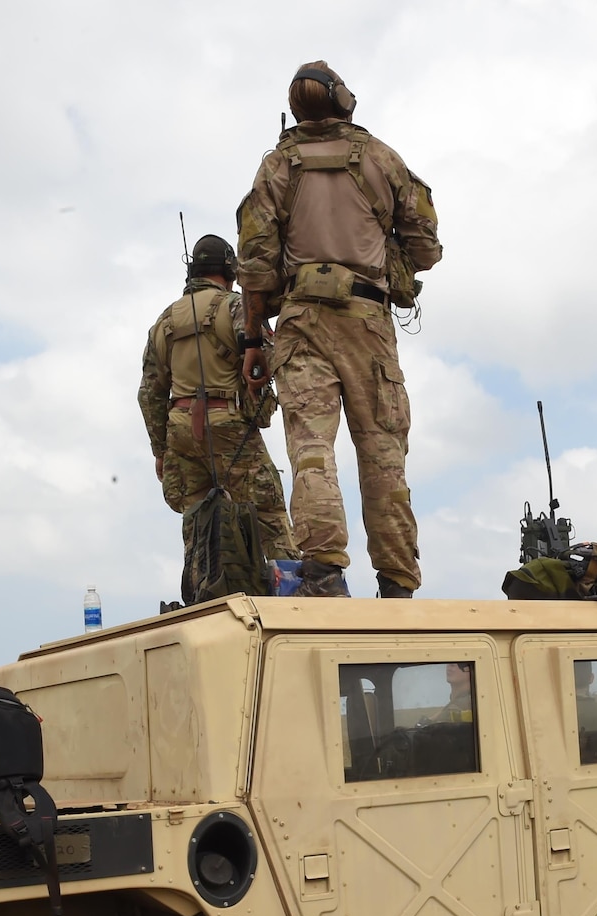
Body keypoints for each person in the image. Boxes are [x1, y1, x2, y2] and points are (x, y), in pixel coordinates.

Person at [235, 60, 442, 598]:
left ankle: (324, 572)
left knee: (311, 448)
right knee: (381, 452)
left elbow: (256, 267)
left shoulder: (276, 168)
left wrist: (254, 340)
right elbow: (427, 246)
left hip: (301, 322)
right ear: (344, 101)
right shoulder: (381, 159)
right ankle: (396, 580)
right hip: (367, 321)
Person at [138, 234, 297, 566]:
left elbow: (150, 393)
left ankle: (207, 598)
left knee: (199, 528)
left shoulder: (163, 322)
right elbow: (263, 361)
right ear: (230, 271)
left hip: (180, 432)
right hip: (229, 424)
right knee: (268, 515)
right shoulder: (236, 307)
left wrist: (160, 451)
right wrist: (259, 412)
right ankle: (292, 598)